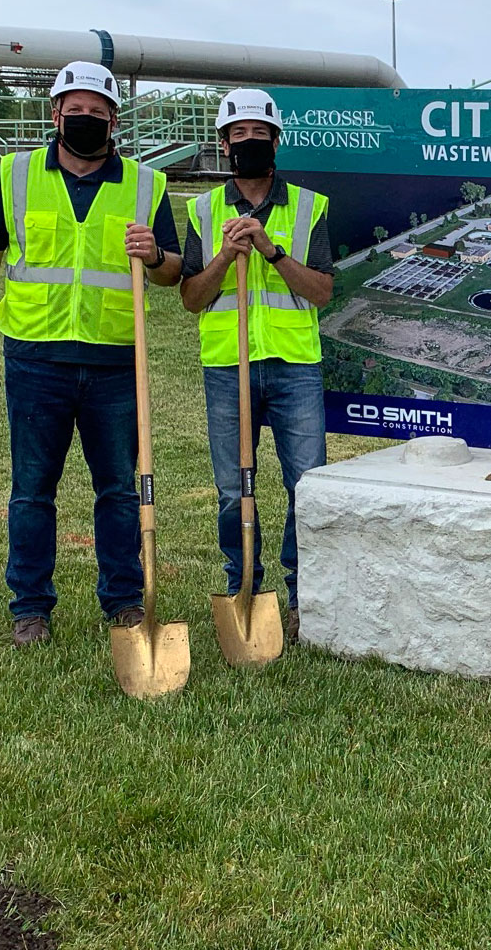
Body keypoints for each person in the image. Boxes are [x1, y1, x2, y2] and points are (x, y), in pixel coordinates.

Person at [0, 61, 183, 647]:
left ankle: (125, 602)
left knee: (118, 488)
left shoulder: (145, 185)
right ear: (55, 114)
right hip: (36, 359)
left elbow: (174, 273)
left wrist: (156, 255)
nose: (85, 120)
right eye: (74, 111)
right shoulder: (14, 173)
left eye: (97, 112)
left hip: (114, 362)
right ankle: (30, 608)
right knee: (33, 488)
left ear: (114, 120)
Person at [179, 89, 333, 645]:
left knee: (306, 486)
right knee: (230, 489)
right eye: (237, 135)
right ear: (223, 144)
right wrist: (224, 256)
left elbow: (321, 293)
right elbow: (192, 298)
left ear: (275, 141)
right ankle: (243, 585)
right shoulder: (203, 211)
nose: (248, 143)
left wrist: (269, 250)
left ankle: (299, 597)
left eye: (258, 134)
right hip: (228, 366)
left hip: (294, 366)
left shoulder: (309, 207)